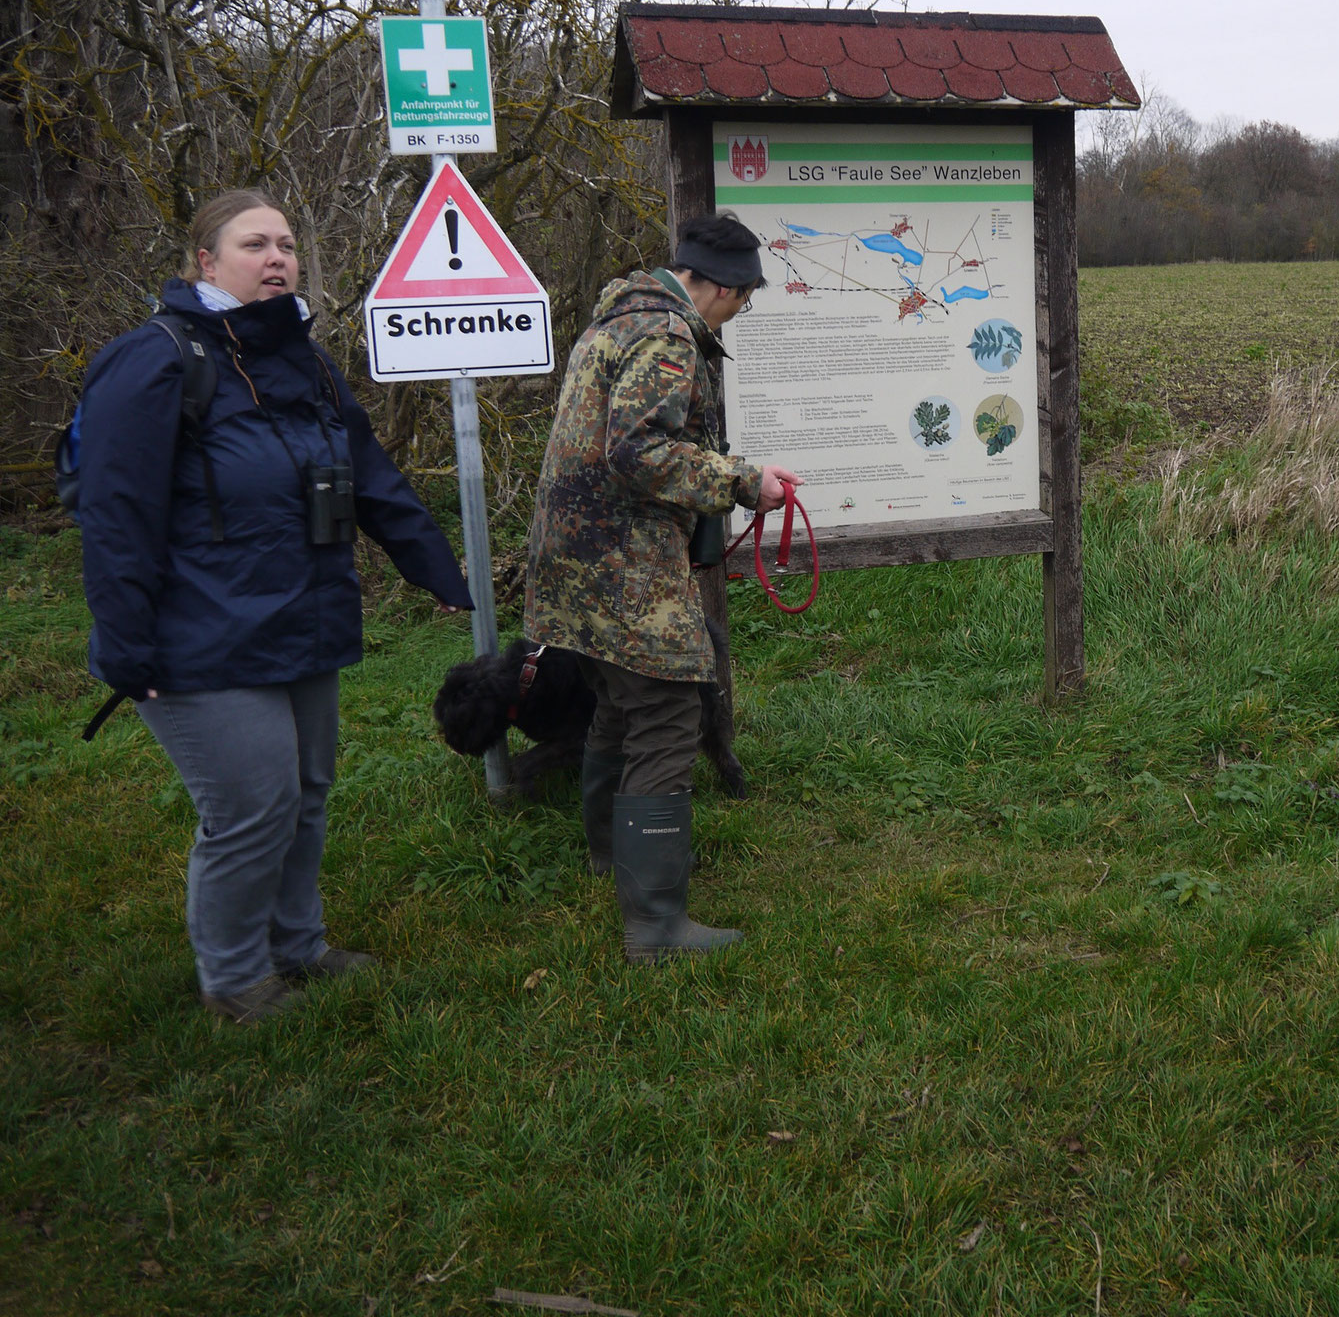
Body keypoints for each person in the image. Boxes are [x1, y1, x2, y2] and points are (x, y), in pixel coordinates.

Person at [77, 189, 472, 1025]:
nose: (277, 258)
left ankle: (299, 947)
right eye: (254, 243)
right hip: (198, 637)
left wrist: (441, 575)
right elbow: (116, 515)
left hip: (300, 620)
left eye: (287, 244)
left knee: (308, 792)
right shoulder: (154, 361)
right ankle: (235, 980)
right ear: (204, 262)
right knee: (251, 809)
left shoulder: (306, 362)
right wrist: (125, 645)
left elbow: (370, 479)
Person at [524, 213, 801, 962]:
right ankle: (656, 925)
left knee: (619, 705)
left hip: (576, 566)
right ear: (721, 286)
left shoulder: (616, 321)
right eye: (745, 298)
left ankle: (614, 856)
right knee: (669, 716)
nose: (742, 311)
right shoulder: (670, 337)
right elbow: (638, 451)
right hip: (624, 568)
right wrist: (745, 480)